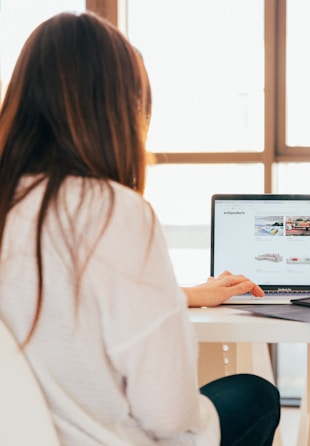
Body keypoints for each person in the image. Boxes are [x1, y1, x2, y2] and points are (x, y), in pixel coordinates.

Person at [0, 12, 279, 446]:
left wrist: (179, 294)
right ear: (118, 112)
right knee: (256, 395)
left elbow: (53, 298)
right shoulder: (113, 211)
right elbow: (169, 414)